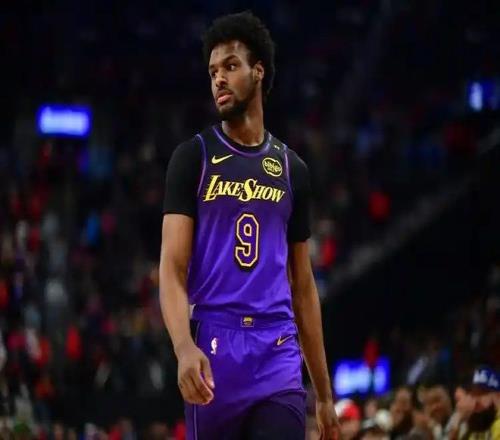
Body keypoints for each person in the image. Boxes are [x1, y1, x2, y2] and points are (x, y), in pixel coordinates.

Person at [159, 10, 340, 440]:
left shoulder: (292, 170)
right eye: (213, 72)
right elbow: (171, 269)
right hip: (214, 346)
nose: (219, 79)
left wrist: (324, 394)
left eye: (230, 66)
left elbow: (303, 286)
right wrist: (183, 347)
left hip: (277, 348)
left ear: (258, 71)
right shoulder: (193, 157)